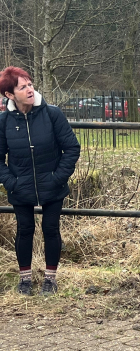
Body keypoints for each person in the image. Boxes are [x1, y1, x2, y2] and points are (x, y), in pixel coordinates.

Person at [0, 67, 80, 295]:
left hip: (52, 184)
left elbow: (72, 148)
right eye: (22, 87)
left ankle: (50, 279)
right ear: (9, 95)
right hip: (20, 186)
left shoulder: (52, 114)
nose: (29, 90)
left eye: (30, 84)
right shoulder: (4, 122)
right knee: (24, 229)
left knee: (50, 229)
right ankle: (25, 279)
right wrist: (10, 182)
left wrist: (58, 177)